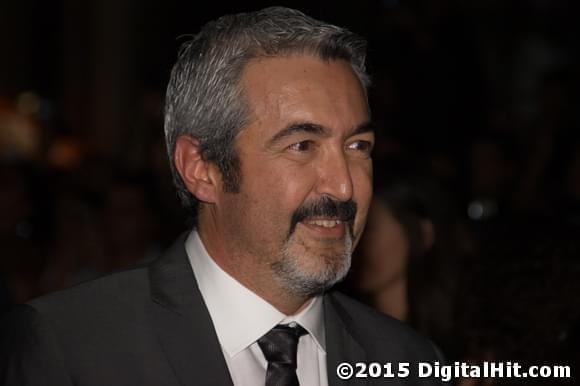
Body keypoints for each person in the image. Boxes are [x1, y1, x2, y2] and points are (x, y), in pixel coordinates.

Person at [1, 7, 444, 386]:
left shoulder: (407, 361)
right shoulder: (73, 348)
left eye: (357, 147)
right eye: (302, 145)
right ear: (201, 168)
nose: (344, 186)